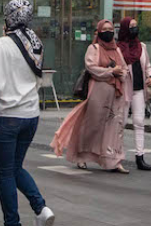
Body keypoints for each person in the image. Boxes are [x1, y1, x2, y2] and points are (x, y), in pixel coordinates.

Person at [0, 0, 55, 226]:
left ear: (8, 18)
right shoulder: (36, 42)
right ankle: (41, 209)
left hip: (7, 116)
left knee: (4, 173)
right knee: (15, 167)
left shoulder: (2, 44)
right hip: (30, 114)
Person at [51, 19, 131, 173]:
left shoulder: (117, 50)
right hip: (98, 92)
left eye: (110, 29)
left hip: (116, 93)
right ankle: (81, 157)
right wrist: (110, 72)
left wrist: (120, 73)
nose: (108, 32)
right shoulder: (94, 48)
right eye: (105, 29)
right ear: (99, 32)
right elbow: (91, 67)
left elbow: (124, 68)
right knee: (92, 125)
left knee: (115, 127)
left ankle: (114, 160)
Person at [118, 16, 151, 171]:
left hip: (139, 89)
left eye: (136, 25)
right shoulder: (118, 48)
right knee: (120, 122)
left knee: (139, 122)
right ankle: (116, 156)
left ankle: (140, 156)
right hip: (123, 89)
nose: (134, 29)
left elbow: (147, 66)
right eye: (131, 26)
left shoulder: (142, 47)